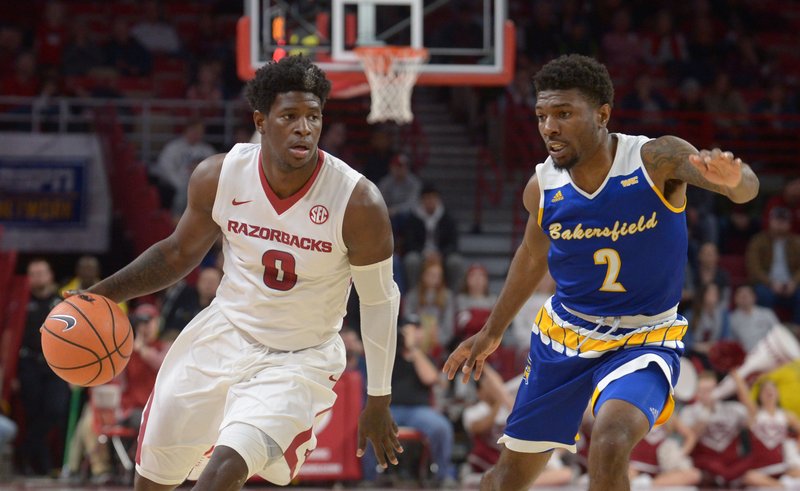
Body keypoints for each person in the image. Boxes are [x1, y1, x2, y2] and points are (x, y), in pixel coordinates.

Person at [74, 55, 402, 490]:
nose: (304, 128)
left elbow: (379, 300)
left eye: (314, 116)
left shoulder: (358, 203)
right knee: (154, 477)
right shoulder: (220, 175)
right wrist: (99, 294)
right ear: (261, 121)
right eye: (290, 116)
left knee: (225, 468)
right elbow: (175, 254)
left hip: (297, 358)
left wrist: (379, 397)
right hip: (221, 334)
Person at [443, 54, 759, 491]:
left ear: (603, 115)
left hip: (643, 337)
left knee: (610, 441)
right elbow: (532, 257)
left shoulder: (655, 159)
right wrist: (493, 331)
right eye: (542, 116)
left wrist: (733, 179)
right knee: (504, 480)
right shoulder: (543, 187)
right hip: (565, 338)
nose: (549, 127)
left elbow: (746, 191)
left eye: (564, 114)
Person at [16, 258, 71, 476]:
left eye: (41, 273)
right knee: (32, 413)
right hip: (28, 363)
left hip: (55, 365)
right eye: (33, 273)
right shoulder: (20, 302)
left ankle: (25, 452)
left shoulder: (61, 304)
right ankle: (42, 466)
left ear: (50, 275)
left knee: (54, 410)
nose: (37, 277)